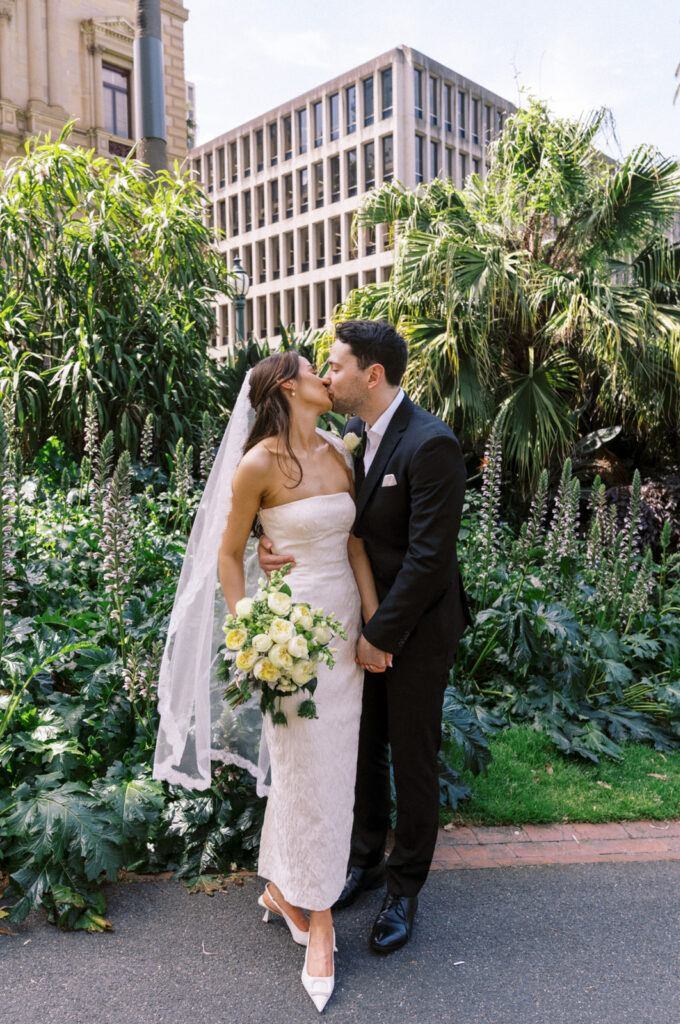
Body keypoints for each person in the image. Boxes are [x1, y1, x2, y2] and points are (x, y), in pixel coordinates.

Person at [155, 350, 380, 1014]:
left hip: (342, 634)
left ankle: (284, 890)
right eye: (317, 371)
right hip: (291, 638)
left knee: (325, 770)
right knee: (310, 769)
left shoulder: (340, 453)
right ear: (289, 386)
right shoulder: (256, 465)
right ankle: (321, 919)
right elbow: (227, 555)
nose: (326, 380)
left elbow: (356, 545)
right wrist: (254, 631)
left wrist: (373, 628)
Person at [259, 320, 471, 956]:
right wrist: (271, 545)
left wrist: (381, 633)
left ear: (371, 375)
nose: (328, 375)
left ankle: (403, 889)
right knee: (362, 750)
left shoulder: (432, 444)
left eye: (338, 365)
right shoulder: (351, 437)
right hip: (355, 622)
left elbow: (430, 558)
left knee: (412, 756)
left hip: (415, 629)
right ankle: (363, 860)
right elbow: (312, 506)